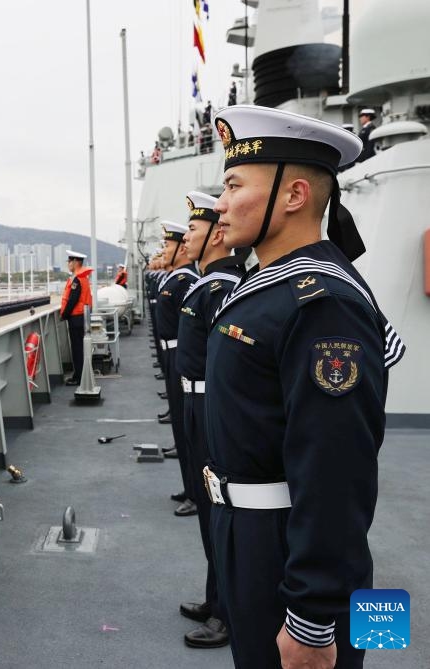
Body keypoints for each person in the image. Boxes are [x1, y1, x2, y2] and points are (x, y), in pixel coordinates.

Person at [205, 104, 405, 669]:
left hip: (289, 550)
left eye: (234, 184)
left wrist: (313, 620)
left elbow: (337, 468)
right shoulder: (271, 287)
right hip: (254, 534)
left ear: (293, 196)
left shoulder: (322, 304)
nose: (221, 203)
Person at [174, 191, 245, 650]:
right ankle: (214, 597)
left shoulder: (221, 287)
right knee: (208, 512)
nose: (186, 240)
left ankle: (225, 612)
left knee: (218, 512)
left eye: (193, 232)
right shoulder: (208, 283)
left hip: (210, 404)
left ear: (216, 235)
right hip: (194, 402)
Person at [153, 221, 199, 514]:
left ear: (182, 248)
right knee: (181, 427)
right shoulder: (177, 279)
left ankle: (196, 493)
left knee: (188, 429)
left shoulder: (186, 281)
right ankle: (189, 486)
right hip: (172, 355)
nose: (165, 250)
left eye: (168, 245)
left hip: (181, 355)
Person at [59, 250, 93, 386]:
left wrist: (64, 315)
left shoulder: (77, 279)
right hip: (81, 317)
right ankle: (79, 375)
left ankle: (78, 377)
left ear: (75, 262)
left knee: (77, 349)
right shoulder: (82, 277)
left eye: (69, 262)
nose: (68, 264)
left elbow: (72, 299)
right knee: (79, 348)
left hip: (76, 318)